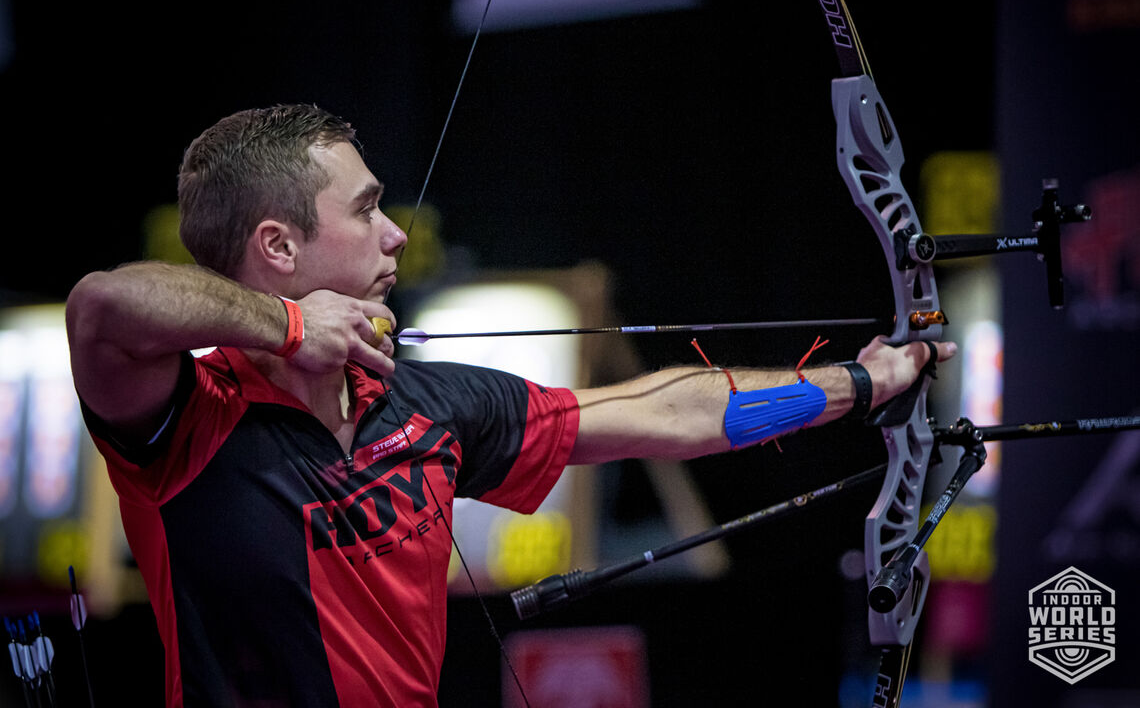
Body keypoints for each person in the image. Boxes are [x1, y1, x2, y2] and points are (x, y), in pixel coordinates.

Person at [65, 103, 955, 707]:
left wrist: (861, 384)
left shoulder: (424, 405)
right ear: (278, 246)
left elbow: (664, 415)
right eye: (367, 208)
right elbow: (104, 306)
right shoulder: (187, 419)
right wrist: (291, 328)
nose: (395, 234)